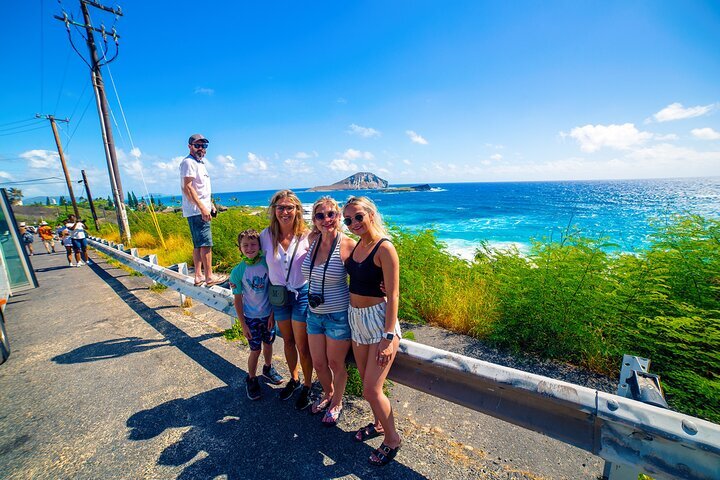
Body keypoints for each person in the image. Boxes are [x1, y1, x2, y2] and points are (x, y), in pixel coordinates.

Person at [343, 196, 402, 466]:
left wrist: (388, 337)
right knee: (366, 379)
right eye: (348, 219)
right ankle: (379, 424)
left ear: (370, 214)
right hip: (357, 319)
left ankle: (392, 439)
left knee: (371, 389)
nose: (353, 223)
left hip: (379, 322)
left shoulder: (384, 247)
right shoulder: (359, 244)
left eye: (357, 217)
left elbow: (394, 294)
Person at [301, 196, 355, 426]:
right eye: (320, 215)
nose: (326, 219)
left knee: (335, 364)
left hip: (337, 316)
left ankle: (337, 403)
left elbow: (365, 271)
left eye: (331, 214)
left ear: (339, 216)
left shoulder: (347, 244)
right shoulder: (312, 241)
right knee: (319, 364)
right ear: (314, 219)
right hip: (314, 314)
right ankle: (327, 394)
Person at [259, 190, 314, 410]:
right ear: (274, 210)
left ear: (297, 210)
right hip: (278, 297)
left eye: (289, 207)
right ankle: (294, 379)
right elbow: (254, 262)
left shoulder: (307, 236)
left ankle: (308, 386)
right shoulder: (265, 236)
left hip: (301, 295)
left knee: (302, 344)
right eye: (280, 207)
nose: (285, 212)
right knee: (288, 342)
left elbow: (333, 249)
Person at [229, 229, 284, 400]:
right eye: (245, 245)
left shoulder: (266, 265)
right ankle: (251, 378)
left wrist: (273, 314)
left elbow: (275, 290)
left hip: (268, 315)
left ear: (259, 246)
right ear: (240, 248)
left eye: (253, 244)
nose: (250, 248)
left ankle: (267, 368)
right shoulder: (237, 271)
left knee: (268, 345)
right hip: (251, 318)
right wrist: (243, 324)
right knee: (255, 350)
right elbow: (237, 300)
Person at [179, 133, 227, 286]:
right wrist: (202, 208)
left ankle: (199, 275)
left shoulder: (200, 163)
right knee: (206, 244)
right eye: (197, 145)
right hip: (196, 211)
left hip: (200, 209)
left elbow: (201, 189)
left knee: (198, 244)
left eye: (204, 146)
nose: (201, 148)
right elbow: (187, 187)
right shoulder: (189, 163)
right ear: (190, 146)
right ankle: (209, 276)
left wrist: (210, 205)